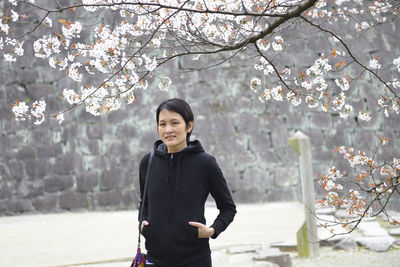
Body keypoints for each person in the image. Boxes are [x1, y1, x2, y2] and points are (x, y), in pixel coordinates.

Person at [138, 98, 237, 267]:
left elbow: (228, 208)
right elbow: (144, 203)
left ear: (189, 126)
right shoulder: (149, 161)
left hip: (194, 259)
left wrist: (212, 230)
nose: (168, 129)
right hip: (154, 259)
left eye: (174, 123)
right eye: (162, 124)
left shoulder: (205, 163)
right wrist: (143, 223)